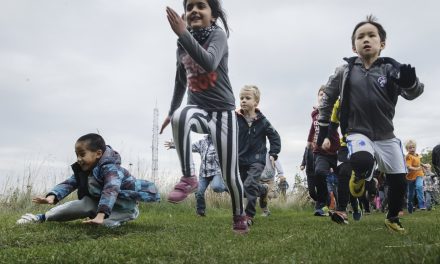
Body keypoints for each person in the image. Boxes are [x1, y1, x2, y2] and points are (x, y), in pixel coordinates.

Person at [318, 15, 424, 233]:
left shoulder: (391, 69)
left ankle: (392, 218)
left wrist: (411, 83)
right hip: (358, 132)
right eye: (360, 37)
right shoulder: (344, 71)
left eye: (371, 35)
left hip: (386, 134)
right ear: (353, 46)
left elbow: (414, 92)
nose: (366, 39)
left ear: (382, 43)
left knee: (399, 179)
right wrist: (324, 131)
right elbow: (328, 98)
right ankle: (360, 175)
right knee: (362, 160)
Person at [160, 0, 248, 234]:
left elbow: (209, 63)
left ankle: (239, 214)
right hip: (198, 110)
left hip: (223, 112)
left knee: (230, 174)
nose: (194, 11)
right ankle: (189, 177)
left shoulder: (218, 35)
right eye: (189, 7)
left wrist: (182, 34)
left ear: (214, 14)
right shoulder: (182, 42)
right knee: (181, 116)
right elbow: (180, 80)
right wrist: (171, 112)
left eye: (201, 6)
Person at [16, 133, 160, 227]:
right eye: (76, 154)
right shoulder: (86, 170)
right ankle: (41, 218)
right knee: (83, 203)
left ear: (98, 154)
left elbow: (111, 189)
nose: (78, 159)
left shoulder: (112, 169)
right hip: (97, 204)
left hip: (123, 208)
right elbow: (69, 183)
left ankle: (116, 218)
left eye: (82, 154)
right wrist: (52, 197)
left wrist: (101, 215)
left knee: (104, 225)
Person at [236, 85, 281, 226]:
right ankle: (262, 190)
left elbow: (275, 137)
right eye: (241, 98)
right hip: (241, 158)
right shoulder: (235, 118)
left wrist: (273, 153)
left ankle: (248, 215)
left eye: (247, 98)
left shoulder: (263, 121)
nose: (243, 101)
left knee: (250, 184)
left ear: (256, 102)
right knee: (244, 188)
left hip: (257, 159)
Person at [164, 135, 228, 217]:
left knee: (216, 187)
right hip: (204, 174)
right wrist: (174, 145)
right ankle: (200, 212)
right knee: (198, 192)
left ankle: (227, 187)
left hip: (216, 172)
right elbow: (188, 147)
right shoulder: (202, 142)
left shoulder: (221, 143)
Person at [307, 86, 340, 217]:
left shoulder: (334, 110)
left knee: (342, 178)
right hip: (320, 151)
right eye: (320, 94)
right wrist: (309, 141)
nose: (322, 97)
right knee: (319, 173)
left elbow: (335, 126)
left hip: (335, 149)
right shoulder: (315, 114)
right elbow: (313, 128)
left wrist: (327, 137)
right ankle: (321, 204)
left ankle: (346, 204)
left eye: (325, 95)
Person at [405, 139, 428, 213]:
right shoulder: (408, 157)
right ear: (407, 149)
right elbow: (408, 167)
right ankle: (410, 207)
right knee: (411, 193)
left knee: (419, 186)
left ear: (415, 147)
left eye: (413, 147)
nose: (412, 149)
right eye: (410, 148)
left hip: (419, 174)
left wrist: (423, 165)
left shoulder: (417, 155)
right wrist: (416, 168)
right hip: (410, 177)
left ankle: (422, 205)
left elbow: (418, 162)